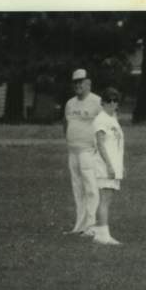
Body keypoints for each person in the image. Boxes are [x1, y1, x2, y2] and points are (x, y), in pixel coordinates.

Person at [63, 69, 102, 236]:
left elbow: (106, 125)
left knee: (91, 188)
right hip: (73, 152)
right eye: (75, 82)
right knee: (77, 188)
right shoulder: (70, 103)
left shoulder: (97, 101)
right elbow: (65, 124)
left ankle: (92, 226)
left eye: (81, 82)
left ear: (88, 83)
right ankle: (79, 226)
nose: (78, 85)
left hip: (89, 152)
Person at [91, 87, 125, 245]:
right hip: (105, 165)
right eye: (109, 100)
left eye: (115, 100)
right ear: (102, 102)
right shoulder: (101, 119)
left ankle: (100, 232)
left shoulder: (113, 119)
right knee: (104, 198)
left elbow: (117, 144)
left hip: (114, 165)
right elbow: (100, 144)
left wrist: (120, 165)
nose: (112, 103)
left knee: (107, 198)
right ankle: (103, 235)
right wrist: (109, 166)